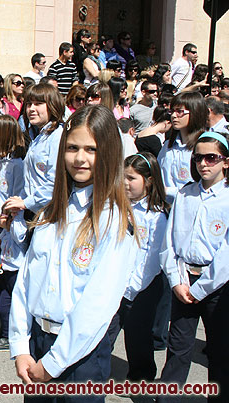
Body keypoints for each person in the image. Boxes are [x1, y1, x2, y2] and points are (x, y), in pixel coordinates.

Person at [10, 105, 136, 400]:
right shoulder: (52, 212)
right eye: (72, 148)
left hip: (81, 354)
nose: (80, 158)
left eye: (91, 149)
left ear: (108, 152)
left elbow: (97, 305)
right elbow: (25, 282)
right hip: (39, 345)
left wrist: (53, 364)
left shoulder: (113, 220)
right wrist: (20, 346)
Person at [158, 131, 229, 402]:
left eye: (212, 158)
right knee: (178, 348)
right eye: (199, 158)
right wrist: (176, 280)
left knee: (220, 351)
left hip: (217, 286)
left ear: (226, 162)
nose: (204, 164)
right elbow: (170, 241)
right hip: (185, 279)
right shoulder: (186, 194)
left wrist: (202, 289)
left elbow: (226, 255)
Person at [107, 152, 169, 382]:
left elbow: (152, 259)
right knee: (105, 333)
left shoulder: (156, 215)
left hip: (143, 287)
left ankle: (141, 379)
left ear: (149, 180)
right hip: (117, 284)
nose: (125, 183)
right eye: (123, 177)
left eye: (131, 178)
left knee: (138, 338)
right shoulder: (116, 207)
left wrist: (132, 287)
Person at [0, 115, 27, 353]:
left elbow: (17, 198)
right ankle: (4, 327)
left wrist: (7, 225)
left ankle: (10, 333)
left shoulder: (17, 165)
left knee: (8, 283)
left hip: (8, 229)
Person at [7, 83, 65, 214]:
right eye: (29, 104)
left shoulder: (57, 137)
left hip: (48, 214)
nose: (31, 109)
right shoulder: (39, 137)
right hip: (33, 212)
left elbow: (55, 183)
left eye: (38, 103)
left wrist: (26, 203)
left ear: (52, 105)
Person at [157, 92, 207, 202]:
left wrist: (167, 191)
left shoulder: (203, 147)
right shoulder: (167, 146)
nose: (174, 116)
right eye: (172, 111)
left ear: (195, 112)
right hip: (164, 208)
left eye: (180, 112)